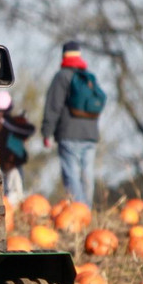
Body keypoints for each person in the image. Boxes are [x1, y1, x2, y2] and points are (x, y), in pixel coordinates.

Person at [42, 40, 101, 206]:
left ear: (63, 56)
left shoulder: (62, 77)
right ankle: (87, 210)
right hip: (90, 136)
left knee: (71, 174)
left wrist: (47, 132)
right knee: (87, 174)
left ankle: (79, 209)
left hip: (69, 134)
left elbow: (53, 106)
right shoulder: (89, 78)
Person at [0, 91, 35, 209]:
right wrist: (27, 125)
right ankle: (11, 213)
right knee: (15, 192)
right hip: (10, 162)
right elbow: (25, 130)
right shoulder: (4, 121)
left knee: (6, 190)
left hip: (1, 163)